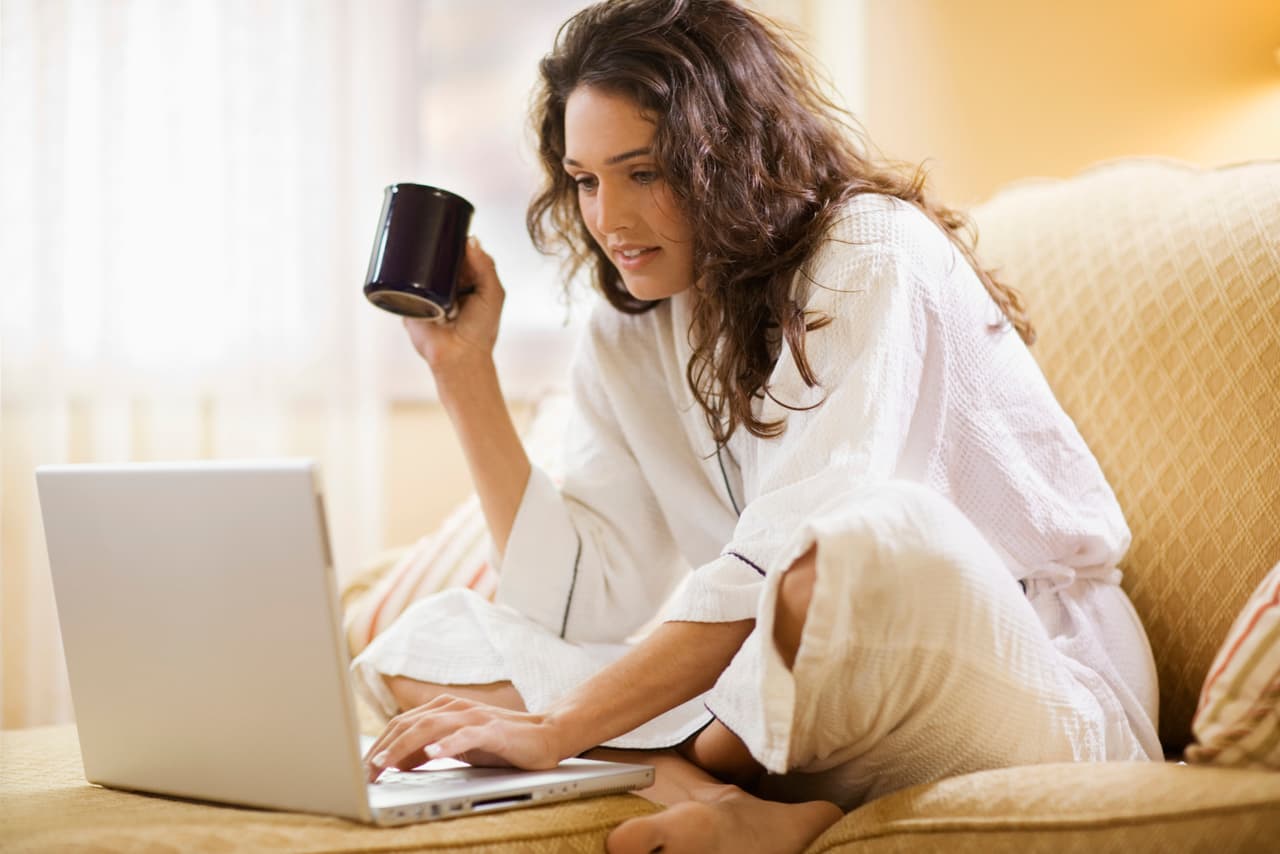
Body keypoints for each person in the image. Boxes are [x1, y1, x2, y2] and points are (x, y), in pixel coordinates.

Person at [354, 1, 1161, 851]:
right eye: (586, 180)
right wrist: (463, 373)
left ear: (727, 156)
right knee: (425, 642)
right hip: (780, 690)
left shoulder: (870, 249)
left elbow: (790, 559)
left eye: (643, 172)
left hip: (1007, 669)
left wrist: (560, 727)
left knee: (852, 549)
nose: (610, 220)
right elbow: (582, 602)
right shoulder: (631, 322)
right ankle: (717, 793)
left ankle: (702, 750)